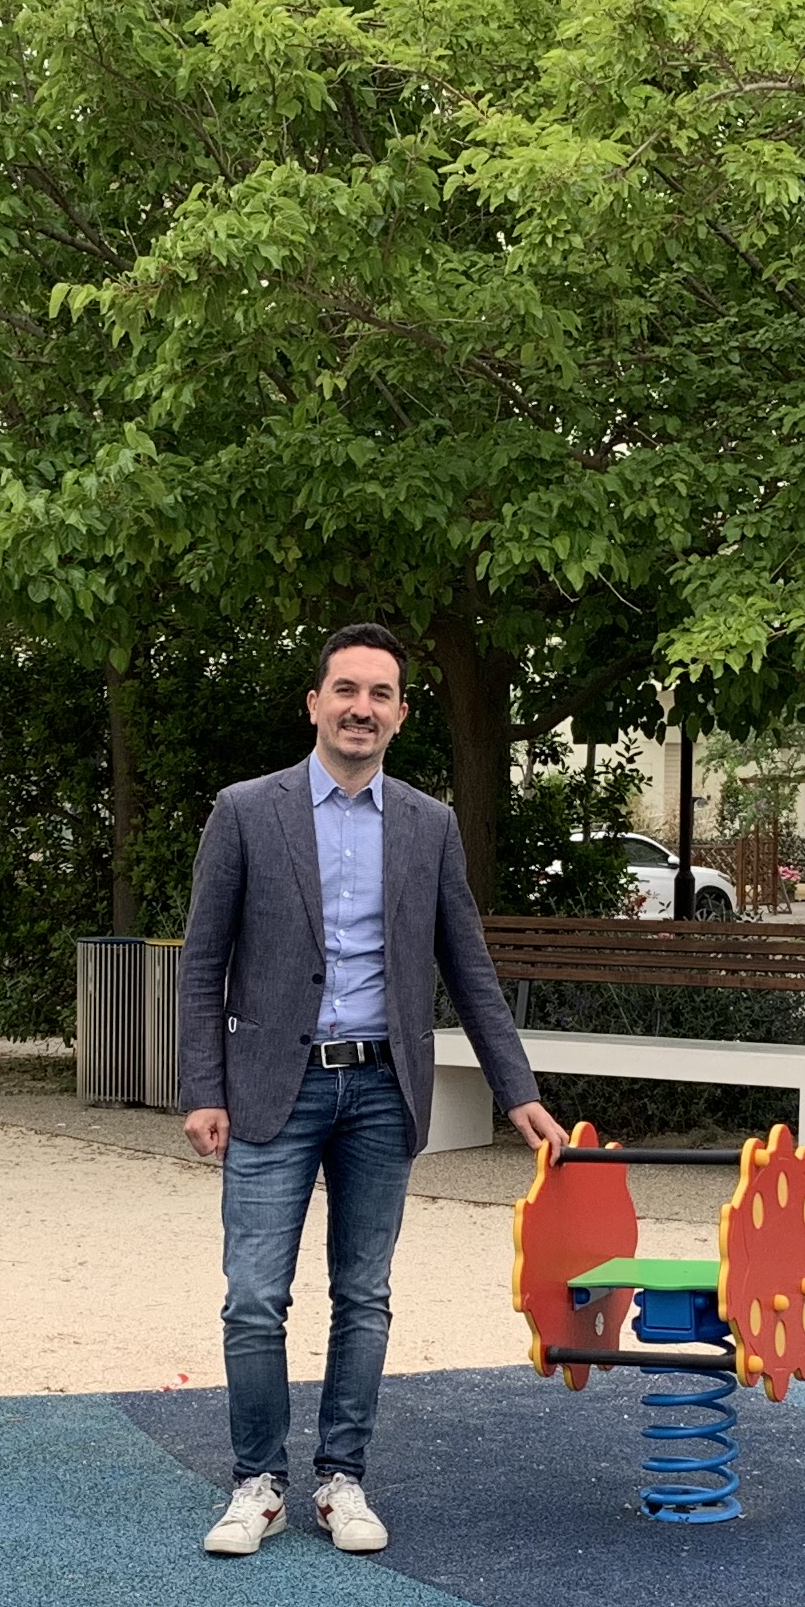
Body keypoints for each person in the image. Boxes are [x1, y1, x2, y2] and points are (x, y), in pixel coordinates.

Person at [176, 624, 561, 1557]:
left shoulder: (429, 825)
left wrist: (516, 1089)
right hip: (272, 1086)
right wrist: (202, 1087)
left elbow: (468, 967)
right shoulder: (246, 811)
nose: (361, 708)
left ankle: (341, 1479)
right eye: (345, 690)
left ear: (400, 714)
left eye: (379, 694)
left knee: (364, 1295)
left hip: (384, 1091)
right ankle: (258, 1483)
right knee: (253, 1297)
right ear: (315, 703)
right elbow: (203, 961)